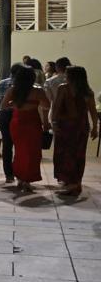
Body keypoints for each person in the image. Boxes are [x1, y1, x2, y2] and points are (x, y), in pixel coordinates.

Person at [2, 64, 50, 191]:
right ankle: (27, 179)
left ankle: (20, 178)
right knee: (33, 152)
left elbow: (3, 106)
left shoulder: (13, 90)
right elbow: (47, 105)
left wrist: (15, 105)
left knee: (19, 151)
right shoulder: (38, 90)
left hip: (18, 122)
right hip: (33, 122)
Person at [52, 67, 98, 198]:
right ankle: (74, 182)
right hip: (81, 127)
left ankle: (71, 183)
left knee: (66, 154)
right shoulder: (87, 92)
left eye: (67, 74)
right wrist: (95, 127)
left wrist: (54, 123)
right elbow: (93, 112)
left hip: (66, 126)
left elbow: (56, 107)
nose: (65, 76)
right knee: (77, 154)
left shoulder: (63, 88)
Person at [0, 63, 21, 184]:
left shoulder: (1, 83)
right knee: (20, 145)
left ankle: (9, 175)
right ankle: (20, 171)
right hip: (19, 115)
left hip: (4, 114)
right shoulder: (23, 86)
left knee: (7, 145)